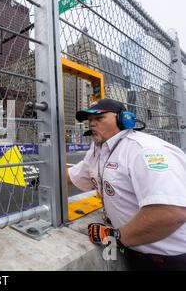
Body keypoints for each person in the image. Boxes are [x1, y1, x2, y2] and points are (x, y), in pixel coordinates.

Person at [67, 98, 186, 271]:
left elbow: (170, 213)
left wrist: (114, 236)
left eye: (99, 118)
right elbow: (73, 176)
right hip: (133, 252)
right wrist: (40, 178)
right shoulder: (97, 152)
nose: (92, 123)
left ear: (124, 119)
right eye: (89, 120)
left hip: (168, 260)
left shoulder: (145, 150)